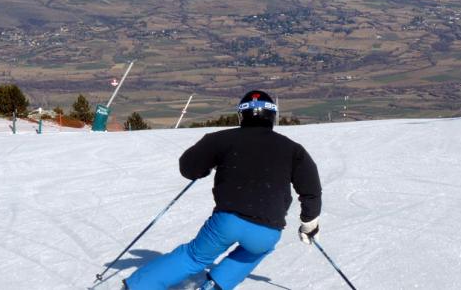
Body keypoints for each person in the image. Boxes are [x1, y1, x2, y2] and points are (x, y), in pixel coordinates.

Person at [122, 90, 322, 290]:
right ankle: (213, 286)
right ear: (272, 115)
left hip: (227, 221)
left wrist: (206, 165)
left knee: (193, 256)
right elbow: (311, 189)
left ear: (241, 115)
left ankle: (138, 287)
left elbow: (188, 167)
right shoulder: (293, 149)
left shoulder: (220, 139)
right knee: (256, 250)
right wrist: (309, 224)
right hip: (267, 228)